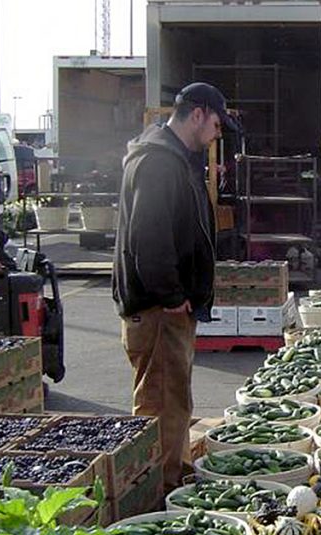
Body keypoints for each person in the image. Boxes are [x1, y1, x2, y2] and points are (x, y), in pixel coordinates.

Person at [112, 81, 239, 491]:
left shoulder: (173, 159)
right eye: (217, 124)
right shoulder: (158, 163)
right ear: (198, 114)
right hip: (158, 310)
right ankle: (159, 497)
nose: (218, 133)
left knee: (172, 401)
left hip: (165, 308)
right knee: (162, 407)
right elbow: (148, 239)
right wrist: (171, 296)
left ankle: (173, 479)